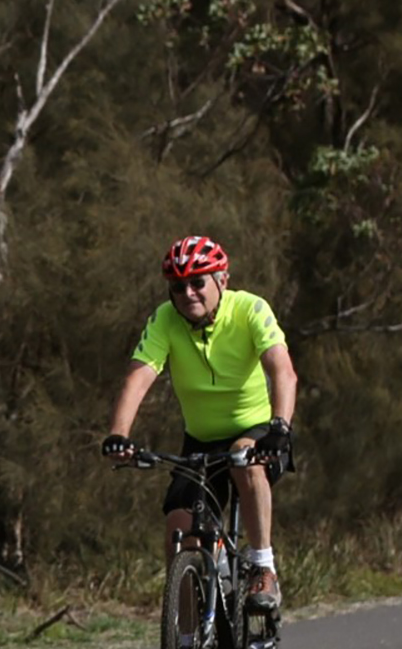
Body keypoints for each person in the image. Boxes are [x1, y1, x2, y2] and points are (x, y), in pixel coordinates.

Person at [102, 235, 298, 612]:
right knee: (180, 529)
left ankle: (263, 567)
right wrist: (118, 435)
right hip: (201, 440)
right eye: (178, 286)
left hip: (257, 431)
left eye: (198, 282)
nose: (188, 293)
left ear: (222, 280)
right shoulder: (165, 319)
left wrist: (280, 428)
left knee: (245, 458)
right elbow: (137, 379)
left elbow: (283, 372)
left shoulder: (250, 309)